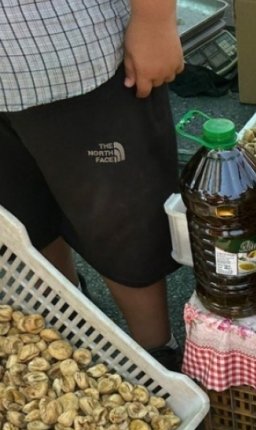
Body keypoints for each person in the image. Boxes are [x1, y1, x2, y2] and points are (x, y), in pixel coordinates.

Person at [0, 1, 185, 369]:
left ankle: (157, 352)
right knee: (24, 222)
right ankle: (69, 320)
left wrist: (155, 18)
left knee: (124, 227)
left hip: (76, 54)